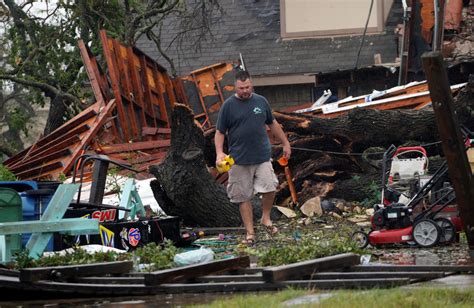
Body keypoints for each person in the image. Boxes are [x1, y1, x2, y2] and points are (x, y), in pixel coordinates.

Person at [215, 70, 291, 244]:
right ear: (235, 87)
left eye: (248, 87)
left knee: (270, 187)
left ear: (252, 85)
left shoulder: (261, 101)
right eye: (241, 88)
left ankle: (265, 218)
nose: (245, 91)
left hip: (262, 156)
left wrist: (285, 143)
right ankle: (250, 232)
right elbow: (219, 132)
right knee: (243, 196)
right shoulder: (228, 106)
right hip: (239, 159)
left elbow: (273, 124)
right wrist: (219, 152)